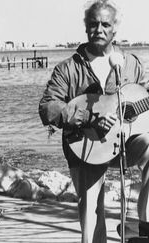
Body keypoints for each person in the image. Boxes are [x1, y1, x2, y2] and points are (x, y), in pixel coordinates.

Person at [39, 1, 149, 242]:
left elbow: (142, 97)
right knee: (91, 209)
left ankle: (146, 224)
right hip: (86, 145)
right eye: (93, 24)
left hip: (125, 143)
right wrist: (88, 117)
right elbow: (48, 107)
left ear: (114, 30)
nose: (99, 29)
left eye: (105, 24)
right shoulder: (68, 68)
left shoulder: (130, 63)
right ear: (86, 28)